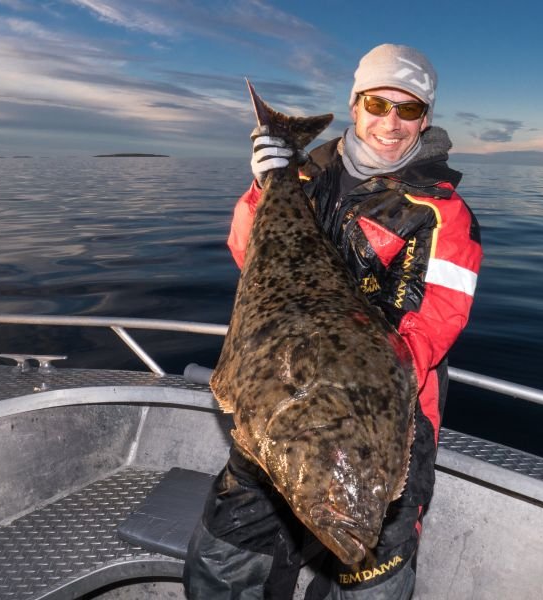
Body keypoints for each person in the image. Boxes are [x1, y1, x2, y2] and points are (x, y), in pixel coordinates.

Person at [184, 43, 483, 599]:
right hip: (278, 396)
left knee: (372, 575)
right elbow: (249, 256)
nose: (390, 122)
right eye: (378, 103)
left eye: (409, 109)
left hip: (389, 414)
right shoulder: (301, 176)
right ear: (354, 104)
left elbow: (436, 322)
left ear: (426, 117)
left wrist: (357, 381)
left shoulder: (444, 213)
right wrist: (262, 188)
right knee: (224, 557)